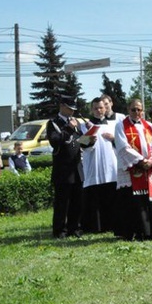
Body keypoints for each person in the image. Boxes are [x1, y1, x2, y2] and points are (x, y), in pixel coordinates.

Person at [114, 99, 152, 240]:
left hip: (148, 169)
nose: (136, 113)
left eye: (139, 110)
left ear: (143, 111)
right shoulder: (121, 125)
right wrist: (140, 161)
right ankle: (134, 232)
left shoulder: (149, 126)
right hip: (131, 169)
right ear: (128, 110)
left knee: (148, 200)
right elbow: (123, 147)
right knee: (132, 202)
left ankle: (151, 231)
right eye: (133, 109)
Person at [79, 97, 118, 233]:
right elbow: (82, 144)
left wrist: (114, 139)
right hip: (94, 165)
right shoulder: (85, 126)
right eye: (95, 108)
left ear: (105, 108)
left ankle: (112, 224)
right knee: (94, 197)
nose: (98, 110)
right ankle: (94, 226)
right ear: (91, 109)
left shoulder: (113, 124)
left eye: (101, 107)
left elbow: (121, 144)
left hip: (110, 164)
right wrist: (89, 139)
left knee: (111, 196)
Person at [47, 95, 84, 238]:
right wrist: (68, 129)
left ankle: (74, 228)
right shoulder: (53, 123)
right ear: (62, 106)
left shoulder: (75, 122)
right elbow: (55, 141)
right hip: (63, 170)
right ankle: (60, 230)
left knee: (77, 202)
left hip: (76, 168)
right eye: (70, 109)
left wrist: (90, 140)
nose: (72, 112)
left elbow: (80, 140)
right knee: (63, 203)